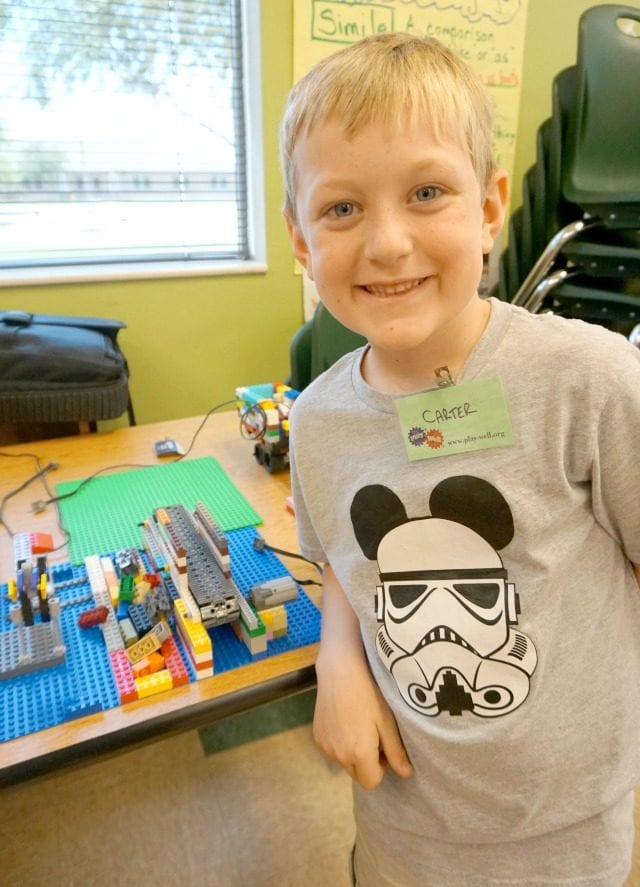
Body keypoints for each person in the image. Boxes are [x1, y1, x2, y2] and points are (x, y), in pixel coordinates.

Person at [280, 31, 640, 887]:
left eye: (428, 192)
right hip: (404, 819)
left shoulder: (588, 380)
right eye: (342, 209)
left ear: (488, 210)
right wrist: (337, 661)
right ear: (300, 241)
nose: (389, 243)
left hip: (568, 827)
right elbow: (340, 556)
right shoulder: (319, 420)